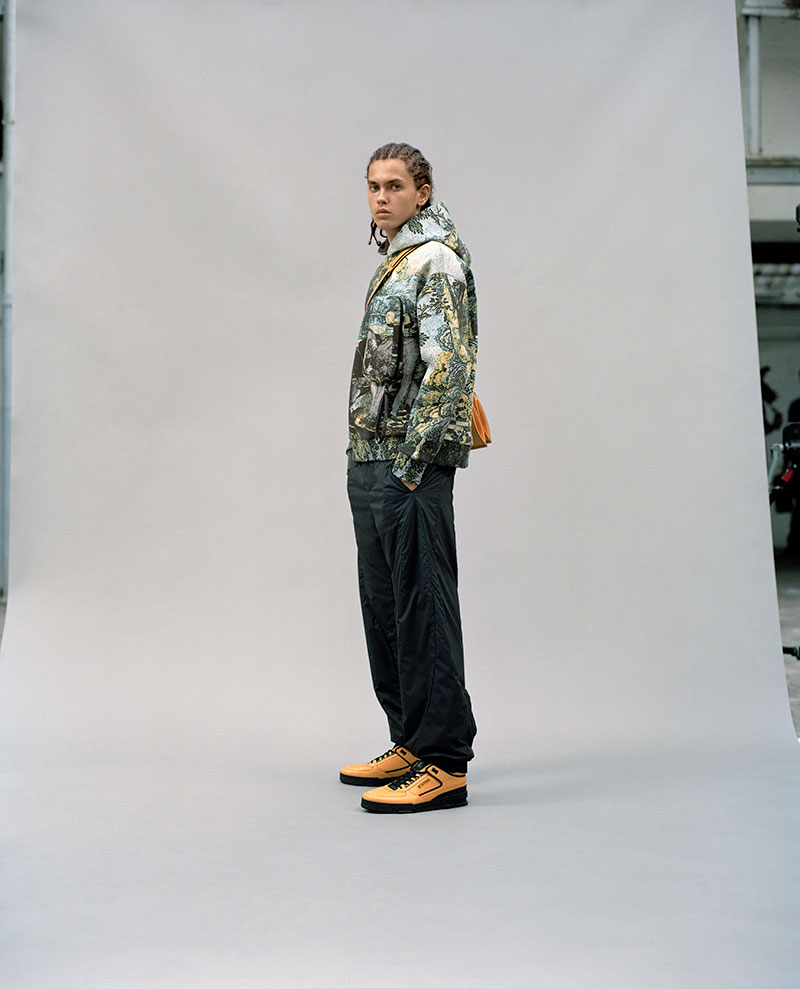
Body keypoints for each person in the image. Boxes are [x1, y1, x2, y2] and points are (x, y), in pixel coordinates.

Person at [340, 142, 478, 813]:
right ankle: (409, 740)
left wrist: (414, 465)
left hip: (408, 466)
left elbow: (449, 366)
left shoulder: (437, 261)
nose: (381, 197)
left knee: (424, 608)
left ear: (423, 192)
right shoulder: (395, 259)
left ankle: (444, 761)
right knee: (386, 608)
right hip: (370, 459)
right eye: (373, 186)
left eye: (395, 186)